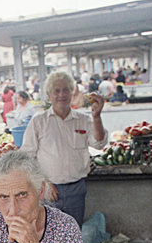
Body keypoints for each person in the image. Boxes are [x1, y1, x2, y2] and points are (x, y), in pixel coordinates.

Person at [21, 71, 107, 227]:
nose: (62, 94)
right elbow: (26, 157)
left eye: (66, 90)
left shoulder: (84, 119)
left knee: (74, 235)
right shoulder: (38, 122)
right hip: (48, 191)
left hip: (76, 189)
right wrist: (43, 183)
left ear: (72, 92)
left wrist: (97, 117)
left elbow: (99, 144)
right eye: (56, 90)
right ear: (48, 95)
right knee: (49, 237)